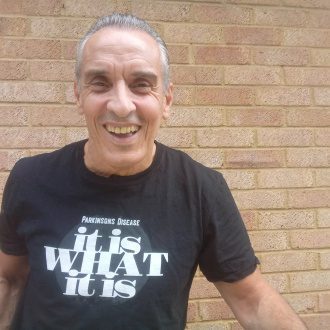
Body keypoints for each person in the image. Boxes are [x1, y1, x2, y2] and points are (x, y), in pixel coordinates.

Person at [0, 13, 307, 330]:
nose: (121, 105)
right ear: (79, 96)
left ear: (166, 100)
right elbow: (8, 280)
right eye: (100, 83)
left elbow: (252, 300)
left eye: (141, 85)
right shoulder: (31, 178)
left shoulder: (200, 188)